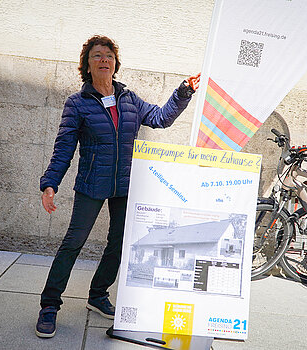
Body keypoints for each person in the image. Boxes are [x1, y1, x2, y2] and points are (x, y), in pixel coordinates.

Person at [35, 35, 200, 338]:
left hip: (124, 185)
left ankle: (98, 294)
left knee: (119, 244)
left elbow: (161, 119)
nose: (103, 60)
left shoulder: (129, 99)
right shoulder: (77, 104)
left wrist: (183, 92)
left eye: (108, 56)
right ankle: (49, 306)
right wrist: (50, 184)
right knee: (73, 243)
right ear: (87, 64)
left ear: (115, 63)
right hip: (91, 185)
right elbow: (64, 148)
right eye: (97, 56)